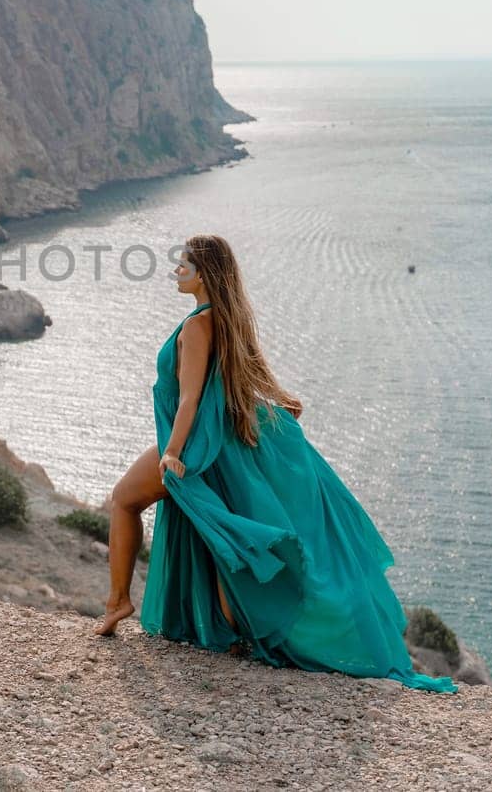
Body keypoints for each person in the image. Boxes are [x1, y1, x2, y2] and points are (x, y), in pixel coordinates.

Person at [92, 232, 456, 694]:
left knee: (125, 500)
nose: (175, 270)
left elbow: (188, 399)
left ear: (203, 273)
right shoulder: (228, 319)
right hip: (226, 442)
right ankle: (236, 629)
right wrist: (281, 399)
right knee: (220, 538)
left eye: (182, 264)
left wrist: (172, 451)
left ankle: (118, 601)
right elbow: (249, 370)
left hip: (200, 445)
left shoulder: (196, 327)